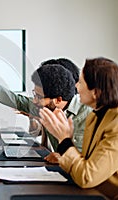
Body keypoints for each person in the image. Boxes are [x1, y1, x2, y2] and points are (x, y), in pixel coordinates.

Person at [0, 53, 91, 153]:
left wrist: (64, 159)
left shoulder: (89, 114)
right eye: (34, 95)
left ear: (58, 100)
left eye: (38, 96)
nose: (34, 101)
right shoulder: (45, 106)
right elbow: (9, 97)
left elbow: (89, 164)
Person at [39, 57, 118, 199]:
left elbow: (87, 177)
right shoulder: (95, 116)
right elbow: (86, 162)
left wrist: (64, 140)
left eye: (81, 83)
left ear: (96, 92)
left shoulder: (116, 124)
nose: (76, 87)